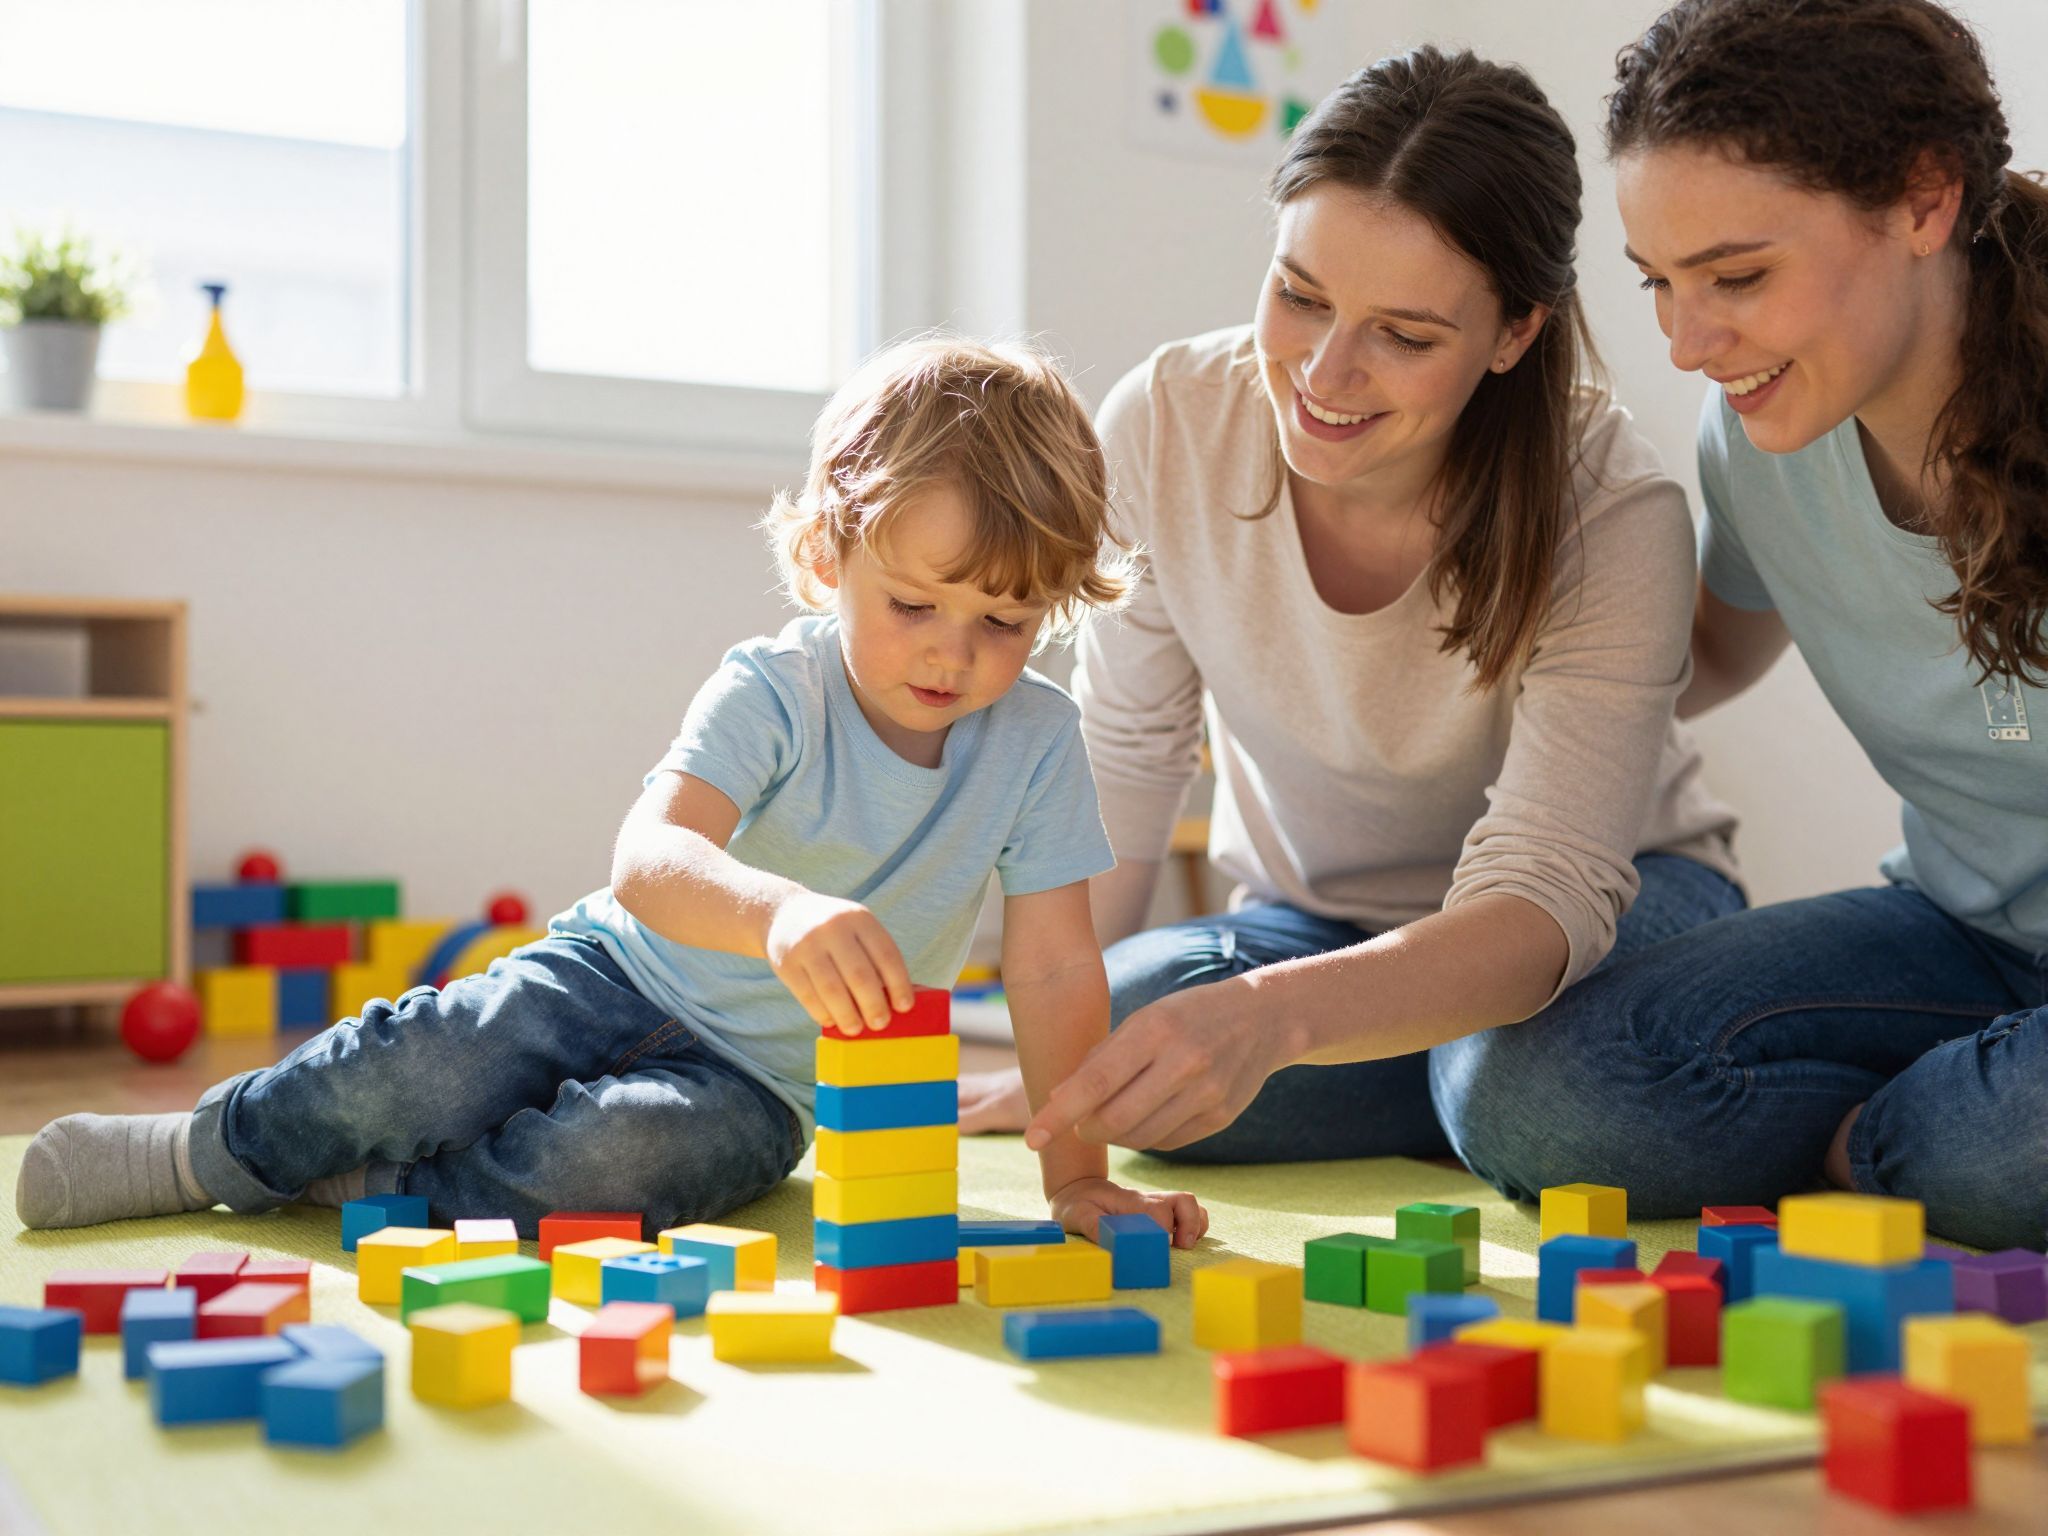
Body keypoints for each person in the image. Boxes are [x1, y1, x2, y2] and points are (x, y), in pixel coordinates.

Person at [17, 337, 1207, 1251]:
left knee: (618, 1168)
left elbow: (1054, 966)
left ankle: (384, 1189)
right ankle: (208, 1150)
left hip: (762, 1087)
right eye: (913, 606)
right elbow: (649, 857)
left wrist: (1075, 1178)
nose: (953, 654)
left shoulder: (1035, 742)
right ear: (826, 558)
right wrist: (778, 913)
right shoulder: (776, 687)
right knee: (425, 1068)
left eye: (1004, 621)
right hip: (609, 975)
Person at [961, 48, 1741, 1166]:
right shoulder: (1168, 423)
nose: (1324, 375)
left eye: (1404, 336)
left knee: (1529, 1088)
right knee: (1123, 1026)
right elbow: (1127, 756)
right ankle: (1455, 1079)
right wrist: (1053, 1052)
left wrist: (1272, 1022)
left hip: (1599, 910)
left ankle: (1482, 1079)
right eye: (1299, 296)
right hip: (1312, 922)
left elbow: (1546, 890)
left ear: (1514, 334)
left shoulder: (1610, 510)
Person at [1434, 0, 2048, 1251]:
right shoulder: (1766, 441)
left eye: (1737, 277)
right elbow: (1696, 653)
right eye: (1657, 284)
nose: (1686, 343)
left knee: (1992, 1148)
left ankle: (1899, 1143)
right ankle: (1914, 1141)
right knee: (1526, 1088)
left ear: (1923, 201)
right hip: (1962, 935)